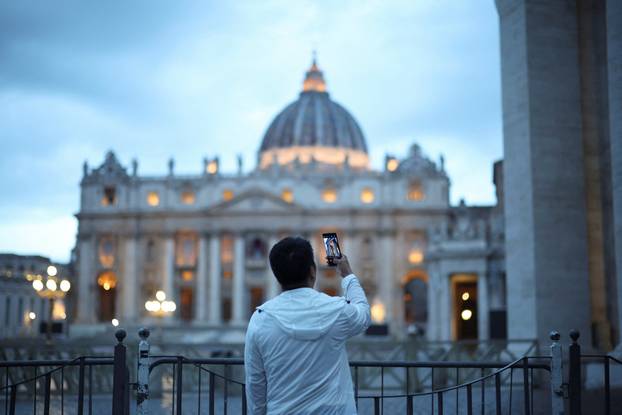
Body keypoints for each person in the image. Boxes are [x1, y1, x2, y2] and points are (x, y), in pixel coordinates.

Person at [244, 236, 371, 414]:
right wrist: (347, 274)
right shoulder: (336, 310)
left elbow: (255, 382)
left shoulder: (260, 319)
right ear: (313, 271)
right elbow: (364, 314)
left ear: (276, 275)